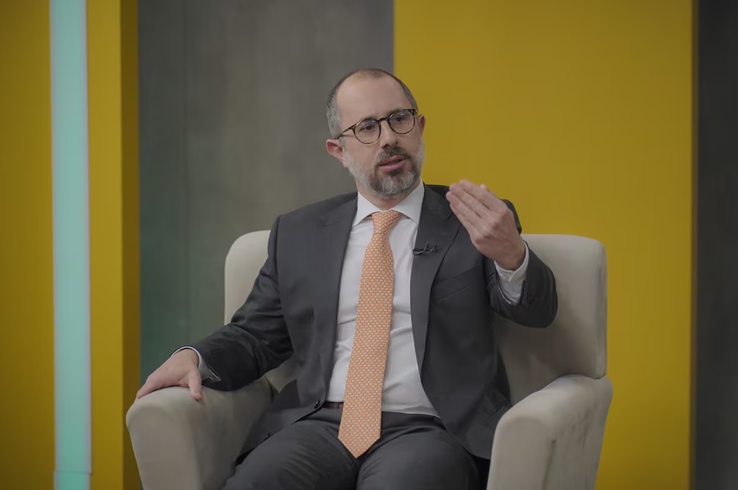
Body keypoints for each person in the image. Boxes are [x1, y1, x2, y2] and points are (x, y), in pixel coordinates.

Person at [137, 68, 558, 490]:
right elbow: (255, 336)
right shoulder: (299, 233)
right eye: (367, 127)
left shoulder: (473, 221)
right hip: (321, 425)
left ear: (419, 127)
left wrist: (512, 255)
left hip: (430, 429)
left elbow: (537, 313)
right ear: (338, 150)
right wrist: (195, 356)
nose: (388, 138)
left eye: (399, 119)